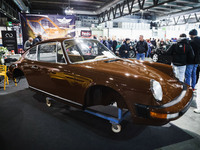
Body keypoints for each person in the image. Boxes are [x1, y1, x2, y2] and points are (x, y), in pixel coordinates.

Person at [185, 29, 200, 113]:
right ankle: (193, 87)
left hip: (190, 60)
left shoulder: (191, 42)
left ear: (191, 34)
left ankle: (187, 87)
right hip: (197, 61)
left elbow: (188, 51)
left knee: (188, 74)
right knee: (194, 74)